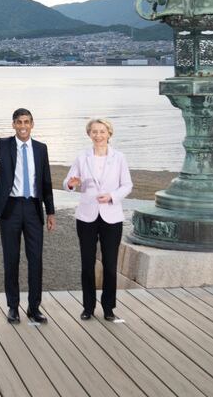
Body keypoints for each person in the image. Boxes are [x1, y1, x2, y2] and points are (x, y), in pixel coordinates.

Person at [0, 109, 55, 324]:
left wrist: (51, 211)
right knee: (11, 259)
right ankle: (13, 307)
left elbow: (46, 182)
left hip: (33, 210)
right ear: (13, 125)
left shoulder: (40, 148)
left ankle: (34, 308)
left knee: (35, 259)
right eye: (19, 122)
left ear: (32, 124)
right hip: (10, 208)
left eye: (26, 122)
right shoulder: (4, 145)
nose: (23, 126)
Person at [64, 118, 132, 322]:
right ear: (89, 134)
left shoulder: (119, 157)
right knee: (87, 264)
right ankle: (88, 307)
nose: (98, 135)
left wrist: (112, 196)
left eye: (102, 132)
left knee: (110, 265)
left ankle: (109, 308)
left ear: (109, 134)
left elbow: (127, 185)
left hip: (111, 216)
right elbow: (68, 182)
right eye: (94, 132)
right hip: (87, 216)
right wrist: (71, 183)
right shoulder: (82, 157)